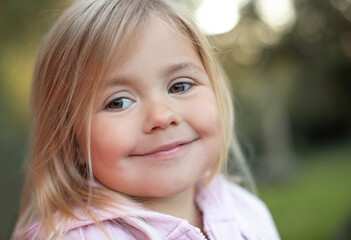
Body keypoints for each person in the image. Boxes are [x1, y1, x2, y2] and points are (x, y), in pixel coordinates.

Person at [12, 0, 280, 239]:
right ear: (71, 140)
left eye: (180, 86)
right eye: (118, 102)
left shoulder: (247, 212)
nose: (162, 117)